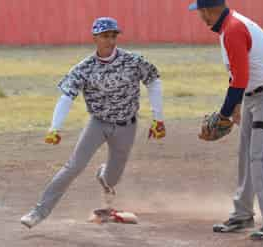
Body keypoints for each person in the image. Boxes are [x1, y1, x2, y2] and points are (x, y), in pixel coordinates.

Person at [20, 17, 166, 229]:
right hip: (98, 124)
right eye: (105, 36)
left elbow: (153, 80)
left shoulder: (133, 61)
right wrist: (55, 128)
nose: (110, 40)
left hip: (127, 126)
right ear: (95, 38)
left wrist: (158, 118)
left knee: (112, 179)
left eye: (113, 35)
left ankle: (103, 176)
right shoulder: (84, 68)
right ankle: (38, 213)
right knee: (73, 167)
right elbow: (66, 96)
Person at [188, 0, 263, 240]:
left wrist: (223, 114)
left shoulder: (233, 29)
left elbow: (240, 78)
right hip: (255, 94)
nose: (200, 17)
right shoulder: (228, 26)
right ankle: (243, 214)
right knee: (247, 154)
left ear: (206, 11)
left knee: (261, 157)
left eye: (199, 12)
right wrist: (234, 108)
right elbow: (238, 73)